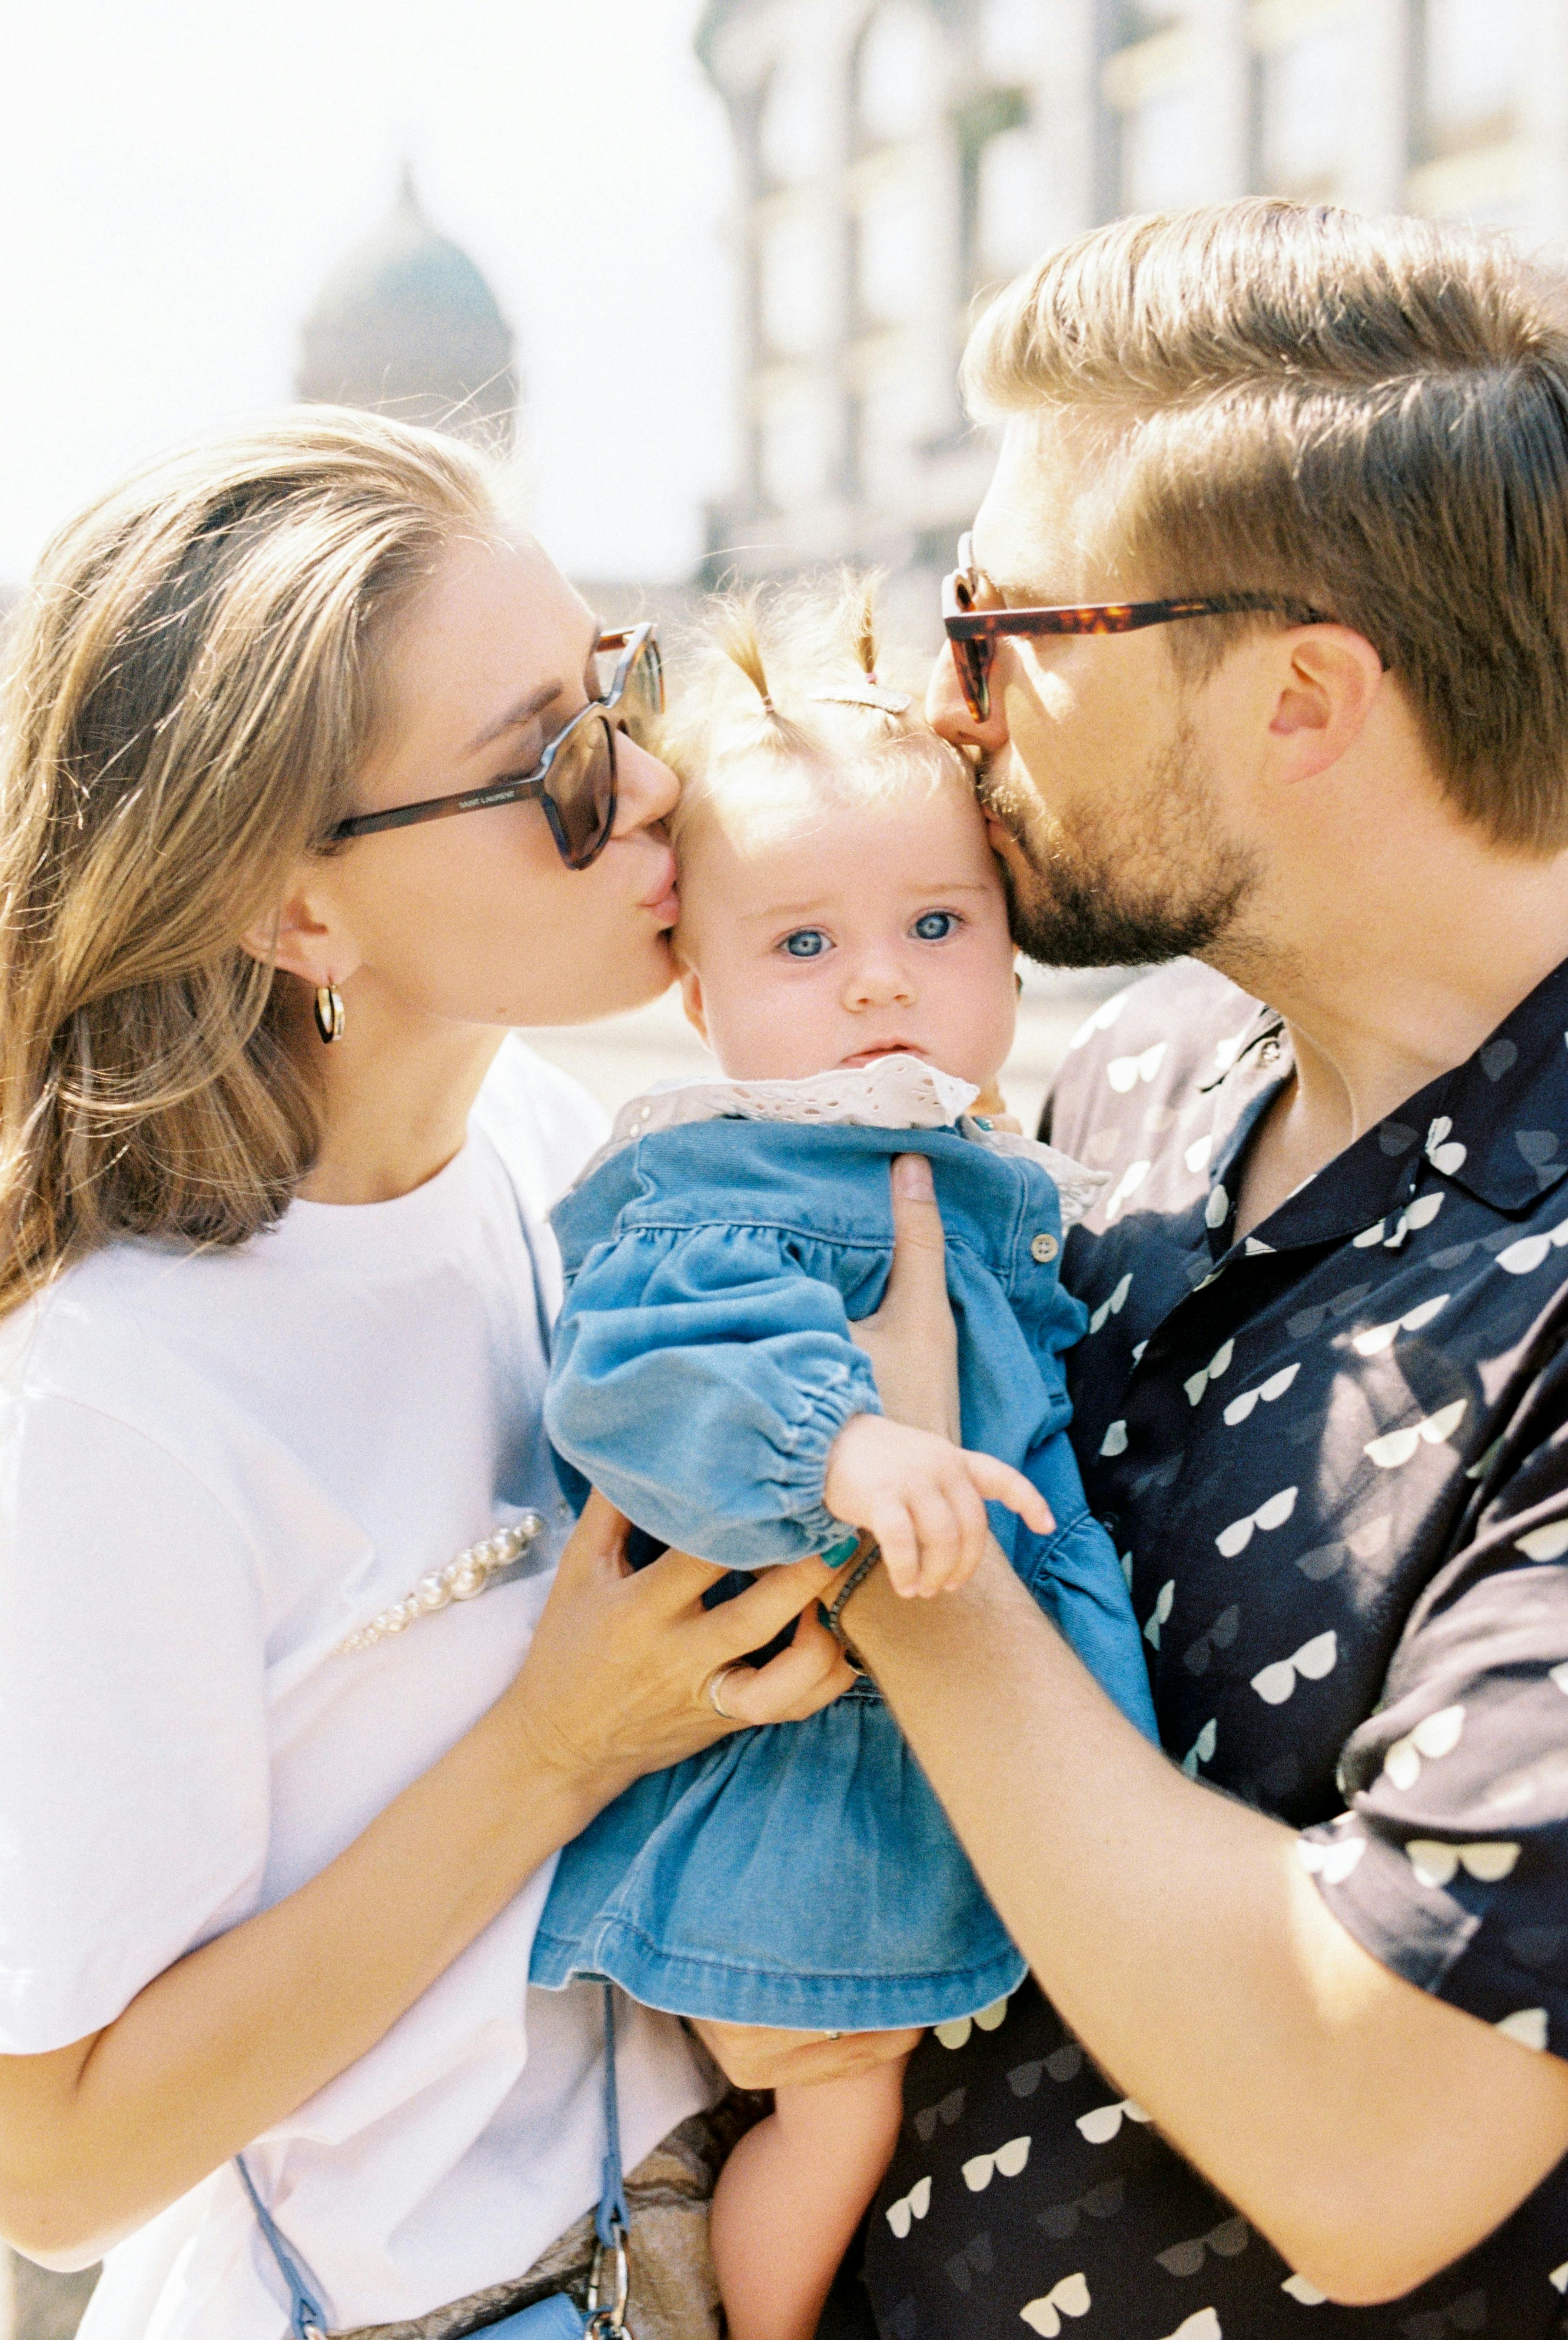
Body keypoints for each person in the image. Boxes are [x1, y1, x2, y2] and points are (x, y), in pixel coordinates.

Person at [704, 200, 1568, 2334]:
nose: (946, 701)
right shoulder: (1146, 1070)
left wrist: (901, 1541)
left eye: (1007, 626)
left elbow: (1370, 2134)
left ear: (1296, 698)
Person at [0, 411, 864, 2340]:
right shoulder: (114, 1393)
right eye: (545, 767)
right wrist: (552, 1744)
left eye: (613, 695)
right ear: (296, 905)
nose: (645, 789)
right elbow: (54, 2161)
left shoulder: (553, 1152)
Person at [528, 584, 1156, 2340]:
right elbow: (646, 1374)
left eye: (935, 922)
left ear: (1011, 950)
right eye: (800, 946)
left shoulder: (963, 1153)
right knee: (836, 2105)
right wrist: (845, 1436)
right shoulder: (723, 1182)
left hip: (924, 1771)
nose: (878, 975)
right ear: (696, 985)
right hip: (797, 1814)